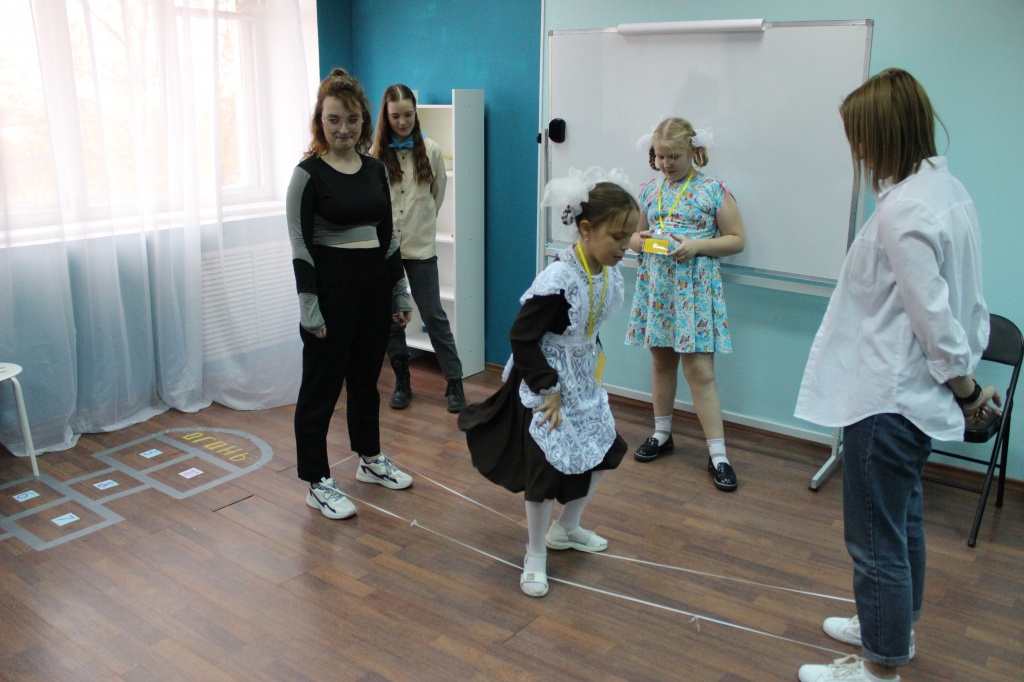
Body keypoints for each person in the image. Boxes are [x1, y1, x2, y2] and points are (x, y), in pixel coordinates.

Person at [794, 69, 1000, 682]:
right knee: (902, 518)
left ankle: (879, 667)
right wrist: (962, 382)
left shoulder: (906, 209)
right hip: (910, 396)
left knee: (874, 538)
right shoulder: (944, 190)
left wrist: (966, 390)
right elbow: (963, 304)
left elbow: (934, 316)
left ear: (884, 133)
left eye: (860, 137)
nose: (857, 151)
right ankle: (889, 627)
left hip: (887, 398)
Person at [458, 167, 638, 597]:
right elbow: (522, 336)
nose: (625, 246)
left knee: (604, 449)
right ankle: (535, 552)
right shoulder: (559, 280)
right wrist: (548, 389)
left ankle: (567, 527)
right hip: (546, 381)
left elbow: (588, 326)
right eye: (617, 237)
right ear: (586, 229)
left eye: (629, 236)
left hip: (582, 379)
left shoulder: (606, 271)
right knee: (545, 467)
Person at [286, 68, 416, 521]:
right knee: (320, 390)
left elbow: (388, 237)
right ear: (319, 120)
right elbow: (301, 246)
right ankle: (317, 481)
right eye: (334, 119)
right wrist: (310, 306)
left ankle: (369, 458)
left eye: (353, 120)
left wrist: (399, 292)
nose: (344, 129)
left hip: (372, 290)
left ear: (364, 121)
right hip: (331, 293)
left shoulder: (375, 169)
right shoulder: (307, 175)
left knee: (365, 382)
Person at [624, 117, 746, 492]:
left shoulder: (713, 191)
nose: (666, 164)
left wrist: (696, 246)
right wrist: (640, 241)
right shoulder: (650, 191)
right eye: (660, 156)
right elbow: (633, 237)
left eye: (674, 156)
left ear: (693, 152)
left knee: (700, 371)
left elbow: (736, 239)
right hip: (658, 289)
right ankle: (662, 434)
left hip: (694, 290)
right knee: (661, 362)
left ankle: (718, 455)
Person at [371, 84, 466, 413]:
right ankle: (402, 381)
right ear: (386, 116)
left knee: (433, 314)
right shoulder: (375, 154)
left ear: (416, 113)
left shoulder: (432, 150)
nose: (402, 122)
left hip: (421, 248)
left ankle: (454, 382)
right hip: (386, 250)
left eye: (408, 115)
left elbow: (437, 195)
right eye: (395, 116)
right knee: (391, 318)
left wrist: (420, 224)